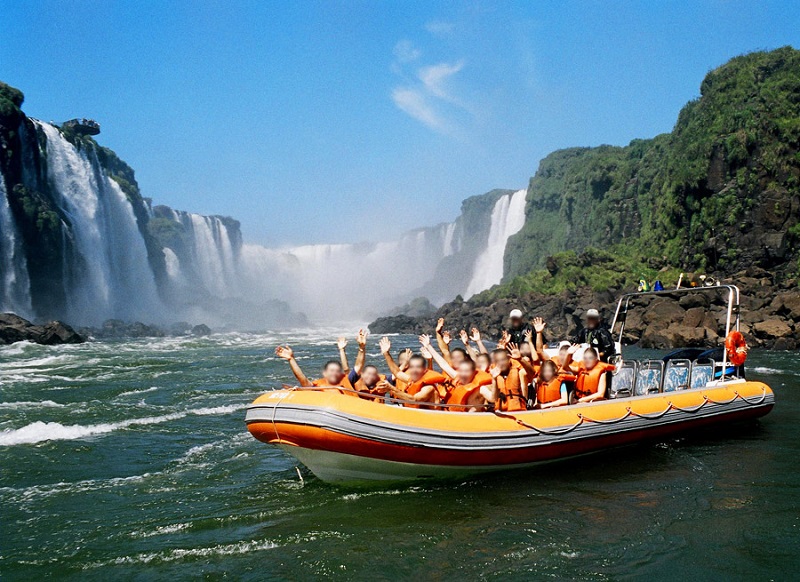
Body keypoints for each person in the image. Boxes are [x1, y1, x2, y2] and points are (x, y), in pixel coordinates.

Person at [419, 334, 494, 411]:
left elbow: (478, 360)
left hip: (472, 413)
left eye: (467, 371)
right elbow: (443, 364)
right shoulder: (458, 376)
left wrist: (470, 343)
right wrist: (428, 346)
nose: (464, 374)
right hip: (452, 411)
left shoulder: (482, 385)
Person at [274, 345, 355, 393]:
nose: (334, 373)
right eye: (331, 371)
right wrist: (291, 359)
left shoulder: (345, 380)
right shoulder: (320, 384)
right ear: (325, 373)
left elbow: (346, 369)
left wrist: (342, 350)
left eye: (337, 371)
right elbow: (303, 381)